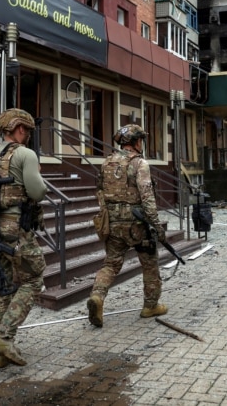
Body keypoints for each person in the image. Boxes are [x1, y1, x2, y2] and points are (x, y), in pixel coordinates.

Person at [0, 108, 47, 367]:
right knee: (34, 278)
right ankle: (4, 338)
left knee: (0, 285)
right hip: (15, 228)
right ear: (20, 129)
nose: (26, 136)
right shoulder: (25, 154)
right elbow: (37, 192)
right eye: (26, 131)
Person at [87, 124, 168, 327]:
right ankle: (151, 305)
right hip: (137, 224)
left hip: (113, 224)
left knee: (111, 264)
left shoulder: (107, 163)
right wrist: (157, 226)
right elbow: (147, 197)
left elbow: (100, 192)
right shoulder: (139, 163)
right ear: (137, 142)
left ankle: (97, 296)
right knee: (149, 263)